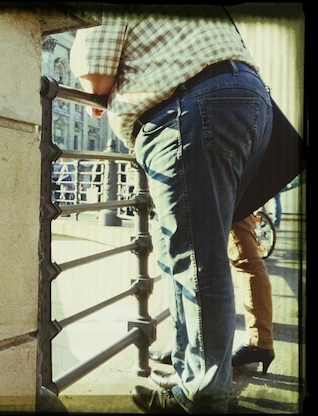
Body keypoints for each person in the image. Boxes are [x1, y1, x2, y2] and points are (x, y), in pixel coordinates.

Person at [69, 5, 273, 413]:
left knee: (196, 258)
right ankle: (190, 368)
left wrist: (101, 95)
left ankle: (201, 395)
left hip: (190, 107)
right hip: (245, 100)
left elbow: (96, 77)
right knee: (188, 253)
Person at [149, 214, 275, 388]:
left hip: (220, 189)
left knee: (205, 257)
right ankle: (260, 341)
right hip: (236, 190)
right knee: (246, 258)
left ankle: (194, 362)